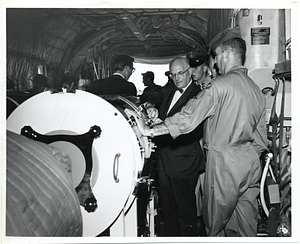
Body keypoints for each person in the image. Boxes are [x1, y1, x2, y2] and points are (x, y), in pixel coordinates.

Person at [126, 26, 268, 237]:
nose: (215, 62)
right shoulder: (255, 89)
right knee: (246, 224)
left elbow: (188, 118)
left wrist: (150, 131)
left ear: (227, 54)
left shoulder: (219, 86)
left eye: (217, 56)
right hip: (250, 162)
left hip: (224, 164)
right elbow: (260, 137)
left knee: (215, 225)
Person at [147, 57, 205, 236]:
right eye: (173, 75)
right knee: (167, 206)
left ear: (190, 72)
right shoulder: (171, 90)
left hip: (184, 161)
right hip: (165, 159)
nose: (177, 78)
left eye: (180, 73)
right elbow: (153, 96)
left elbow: (190, 129)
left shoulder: (199, 95)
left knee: (185, 209)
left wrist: (160, 128)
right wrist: (151, 108)